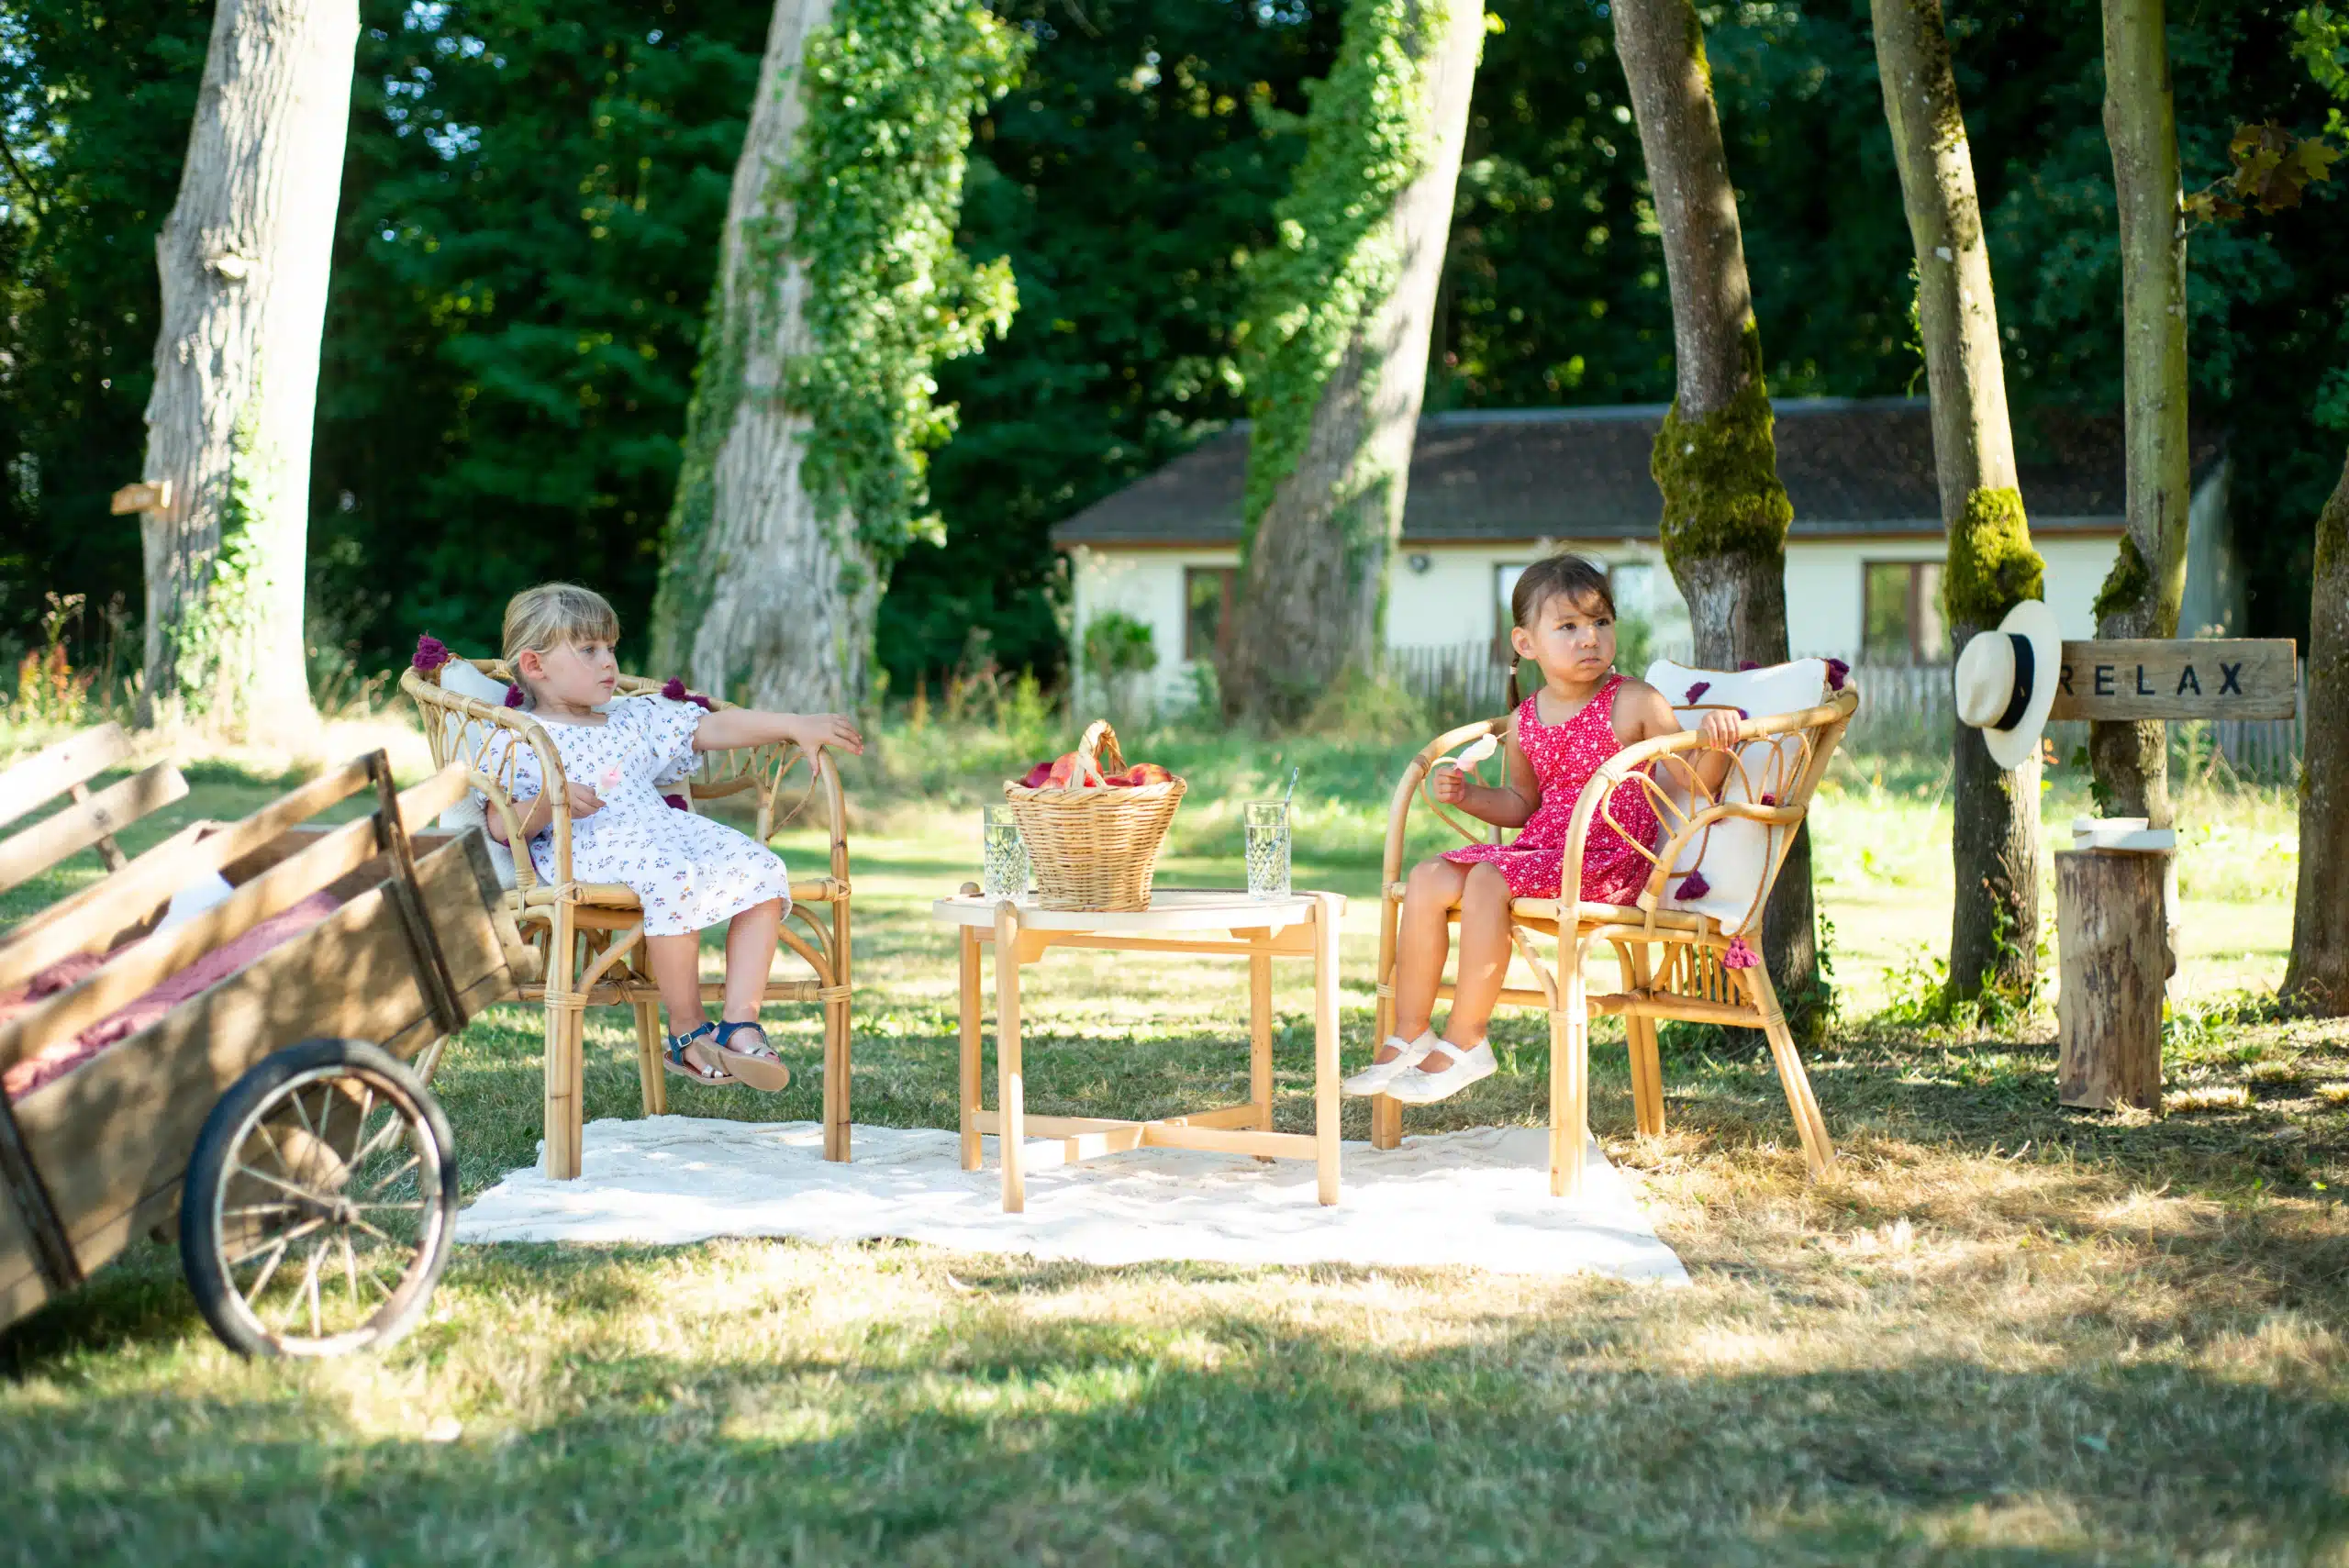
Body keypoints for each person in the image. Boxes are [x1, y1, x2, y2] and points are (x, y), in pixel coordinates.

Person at [1354, 553, 1740, 1106]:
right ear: (1525, 643)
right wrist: (1473, 797)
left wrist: (1717, 745)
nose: (1590, 639)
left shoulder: (1633, 701)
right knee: (1427, 875)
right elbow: (1521, 803)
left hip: (1605, 858)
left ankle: (1469, 1040)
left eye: (1600, 623)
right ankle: (1411, 1030)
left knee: (1487, 878)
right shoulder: (1526, 718)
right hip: (1542, 851)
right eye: (1568, 626)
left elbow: (1688, 786)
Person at [479, 583, 863, 1089]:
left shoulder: (633, 715)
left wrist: (793, 725)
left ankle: (739, 1024)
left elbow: (714, 728)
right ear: (535, 665)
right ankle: (686, 1032)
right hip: (586, 846)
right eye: (590, 650)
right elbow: (497, 822)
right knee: (671, 873)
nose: (608, 663)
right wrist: (552, 801)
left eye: (611, 648)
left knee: (763, 867)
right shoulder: (519, 735)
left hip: (662, 832)